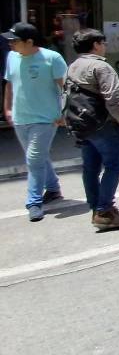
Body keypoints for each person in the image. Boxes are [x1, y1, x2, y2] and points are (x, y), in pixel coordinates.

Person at [66, 29, 119, 231]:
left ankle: (96, 207)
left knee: (90, 168)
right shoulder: (101, 67)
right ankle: (104, 211)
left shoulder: (72, 66)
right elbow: (114, 99)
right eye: (103, 42)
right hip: (103, 124)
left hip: (82, 124)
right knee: (114, 165)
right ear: (96, 44)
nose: (105, 46)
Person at [3, 23, 67, 222]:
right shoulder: (12, 57)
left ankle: (34, 202)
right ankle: (54, 188)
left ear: (29, 42)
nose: (10, 44)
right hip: (20, 118)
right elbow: (9, 84)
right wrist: (7, 108)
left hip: (46, 119)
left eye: (14, 41)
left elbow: (66, 88)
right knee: (39, 158)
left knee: (33, 160)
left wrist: (64, 112)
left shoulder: (52, 58)